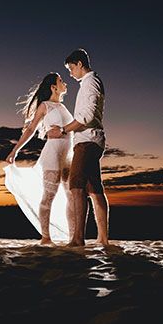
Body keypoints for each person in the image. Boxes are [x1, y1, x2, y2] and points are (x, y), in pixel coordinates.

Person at [46, 48, 109, 246]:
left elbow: (85, 117)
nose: (70, 74)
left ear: (80, 64)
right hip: (91, 141)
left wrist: (63, 130)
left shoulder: (90, 83)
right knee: (95, 189)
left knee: (76, 187)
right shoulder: (91, 82)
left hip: (87, 142)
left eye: (71, 68)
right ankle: (103, 239)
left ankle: (77, 238)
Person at [4, 72, 75, 244]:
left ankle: (73, 237)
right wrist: (15, 151)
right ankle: (46, 237)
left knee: (71, 195)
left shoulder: (64, 107)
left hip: (68, 155)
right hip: (53, 153)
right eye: (61, 81)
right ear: (53, 87)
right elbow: (30, 130)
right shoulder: (45, 106)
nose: (65, 83)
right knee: (49, 195)